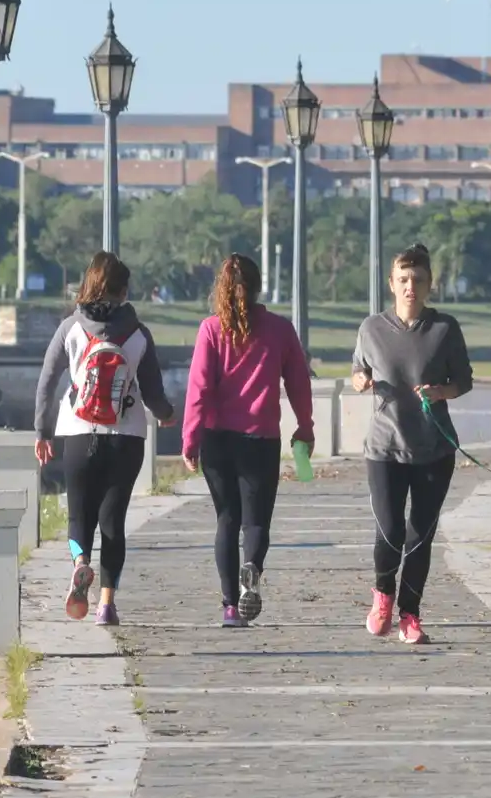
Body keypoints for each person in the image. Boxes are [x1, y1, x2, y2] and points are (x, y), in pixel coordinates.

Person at [34, 251, 173, 627]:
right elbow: (154, 393)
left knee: (79, 515)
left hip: (78, 433)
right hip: (126, 438)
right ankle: (106, 605)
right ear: (124, 291)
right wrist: (167, 415)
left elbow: (47, 381)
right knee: (113, 520)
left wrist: (42, 432)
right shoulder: (139, 334)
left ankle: (81, 563)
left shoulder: (70, 328)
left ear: (89, 285)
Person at [351, 243, 473, 645]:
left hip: (434, 450)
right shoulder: (371, 328)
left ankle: (410, 614)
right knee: (390, 531)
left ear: (429, 284)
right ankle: (383, 594)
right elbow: (358, 369)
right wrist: (361, 381)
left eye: (417, 280)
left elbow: (464, 381)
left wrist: (440, 392)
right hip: (384, 449)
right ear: (391, 283)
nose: (410, 287)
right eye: (403, 279)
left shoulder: (445, 329)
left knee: (420, 536)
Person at [183, 253, 314, 628]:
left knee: (226, 519)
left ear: (220, 289)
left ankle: (229, 607)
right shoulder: (280, 329)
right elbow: (299, 383)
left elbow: (199, 389)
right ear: (258, 287)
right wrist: (305, 427)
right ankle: (252, 567)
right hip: (261, 439)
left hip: (217, 439)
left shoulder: (211, 330)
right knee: (255, 523)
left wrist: (190, 439)